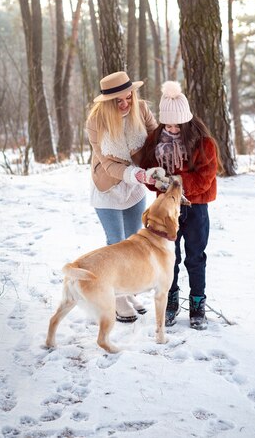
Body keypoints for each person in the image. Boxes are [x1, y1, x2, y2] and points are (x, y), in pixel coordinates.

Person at [140, 81, 222, 330]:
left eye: (177, 124)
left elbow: (204, 179)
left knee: (195, 257)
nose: (173, 129)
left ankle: (198, 303)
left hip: (195, 207)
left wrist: (174, 183)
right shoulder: (155, 141)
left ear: (187, 121)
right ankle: (170, 300)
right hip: (165, 210)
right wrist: (156, 179)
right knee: (168, 257)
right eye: (168, 124)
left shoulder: (203, 142)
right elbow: (149, 175)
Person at [86, 71, 159, 323]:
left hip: (135, 188)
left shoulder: (141, 109)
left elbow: (156, 139)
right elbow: (107, 163)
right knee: (115, 243)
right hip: (109, 187)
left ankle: (128, 291)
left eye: (128, 96)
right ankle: (116, 297)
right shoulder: (96, 122)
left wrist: (156, 167)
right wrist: (135, 174)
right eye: (118, 100)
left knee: (132, 243)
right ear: (107, 102)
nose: (125, 103)